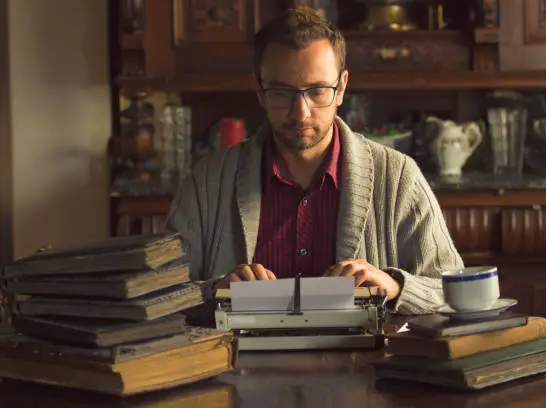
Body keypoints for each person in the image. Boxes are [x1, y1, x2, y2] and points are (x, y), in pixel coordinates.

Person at [167, 6, 464, 315]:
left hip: (365, 363)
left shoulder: (399, 177)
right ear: (259, 91)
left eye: (318, 91)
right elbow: (157, 299)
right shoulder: (207, 183)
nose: (301, 113)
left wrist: (394, 286)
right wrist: (215, 292)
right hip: (237, 362)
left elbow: (452, 291)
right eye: (282, 93)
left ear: (342, 88)